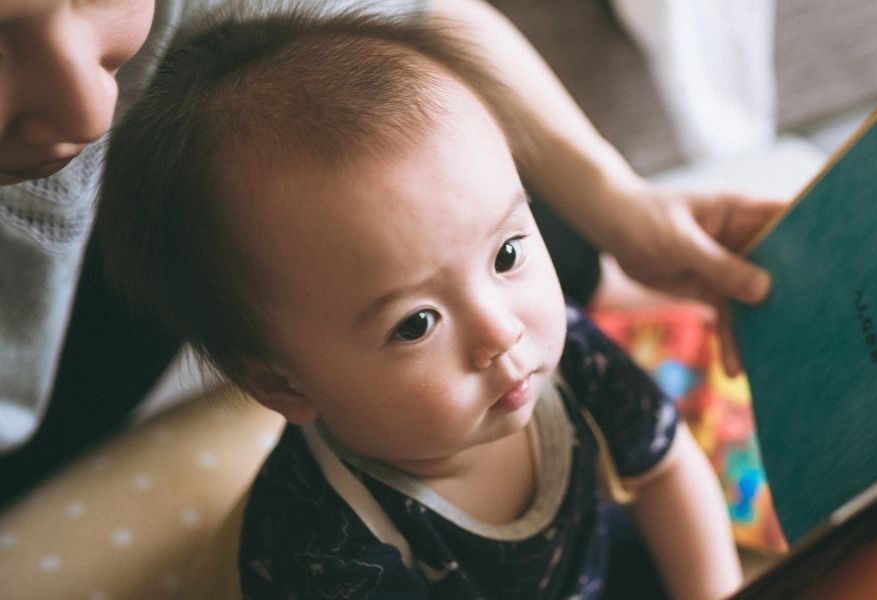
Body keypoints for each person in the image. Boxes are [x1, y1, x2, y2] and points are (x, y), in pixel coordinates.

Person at [0, 0, 779, 508]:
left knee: (433, 218)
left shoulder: (575, 360)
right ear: (276, 383)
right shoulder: (321, 531)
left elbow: (420, 17)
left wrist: (622, 207)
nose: (91, 107)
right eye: (415, 325)